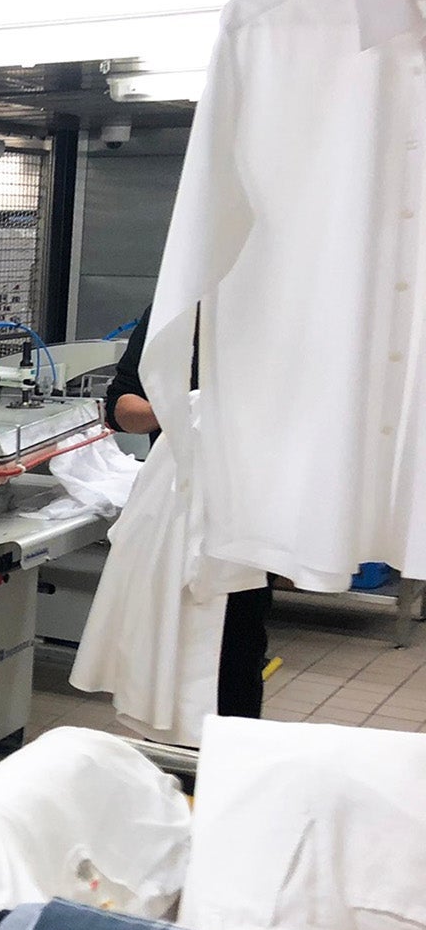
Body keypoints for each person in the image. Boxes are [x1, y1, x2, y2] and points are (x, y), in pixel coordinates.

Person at [104, 304, 272, 718]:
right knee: (163, 648)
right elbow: (122, 409)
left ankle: (222, 768)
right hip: (175, 510)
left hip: (246, 514)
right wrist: (189, 409)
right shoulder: (175, 308)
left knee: (235, 648)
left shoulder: (281, 309)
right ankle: (174, 769)